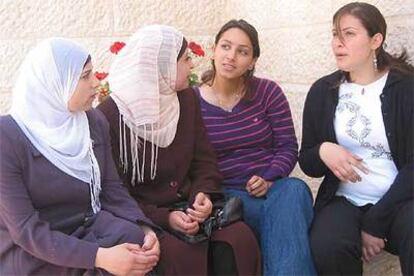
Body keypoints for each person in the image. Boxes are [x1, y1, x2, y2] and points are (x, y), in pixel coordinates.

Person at [97, 25, 261, 275]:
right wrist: (166, 218)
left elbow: (204, 161)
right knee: (181, 253)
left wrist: (202, 196)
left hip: (189, 208)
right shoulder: (111, 115)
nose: (192, 66)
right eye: (185, 59)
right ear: (160, 65)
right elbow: (115, 193)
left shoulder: (186, 100)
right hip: (144, 217)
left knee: (240, 238)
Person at [0, 38, 161, 275]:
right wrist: (100, 257)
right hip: (35, 249)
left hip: (85, 229)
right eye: (85, 76)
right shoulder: (7, 138)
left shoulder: (92, 122)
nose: (96, 83)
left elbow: (111, 189)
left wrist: (145, 228)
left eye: (93, 74)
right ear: (55, 83)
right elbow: (25, 230)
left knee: (136, 244)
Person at [298, 2, 413, 275]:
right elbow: (308, 162)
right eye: (335, 34)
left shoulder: (406, 89)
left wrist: (375, 223)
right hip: (344, 199)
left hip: (401, 200)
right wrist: (324, 150)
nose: (338, 43)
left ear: (376, 40)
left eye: (348, 34)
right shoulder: (322, 91)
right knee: (327, 244)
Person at [195, 19, 316, 275]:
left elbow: (287, 146)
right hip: (229, 196)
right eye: (226, 47)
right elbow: (194, 162)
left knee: (294, 189)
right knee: (288, 222)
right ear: (213, 50)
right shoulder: (193, 103)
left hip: (274, 189)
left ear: (252, 61)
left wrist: (269, 178)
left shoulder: (268, 92)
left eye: (243, 51)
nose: (231, 56)